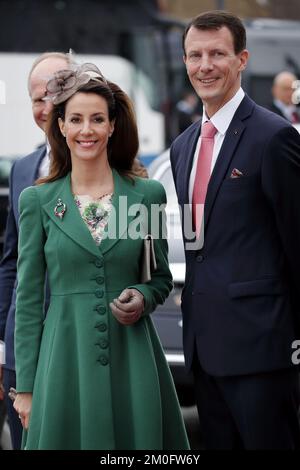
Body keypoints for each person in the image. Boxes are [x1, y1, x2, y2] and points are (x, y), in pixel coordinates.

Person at [13, 63, 189, 450]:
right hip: (63, 362)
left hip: (134, 361)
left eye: (96, 119)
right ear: (61, 126)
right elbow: (26, 300)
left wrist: (143, 297)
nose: (86, 129)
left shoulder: (147, 196)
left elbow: (158, 277)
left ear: (112, 125)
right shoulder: (37, 201)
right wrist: (25, 387)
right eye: (75, 119)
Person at [170, 10, 300, 450]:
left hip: (264, 350)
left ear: (242, 59)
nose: (204, 65)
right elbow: (199, 245)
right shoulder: (182, 146)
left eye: (217, 54)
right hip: (204, 351)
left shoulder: (275, 137)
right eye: (195, 55)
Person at [0, 51, 75, 450]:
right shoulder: (22, 169)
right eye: (36, 99)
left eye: (55, 94)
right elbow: (11, 261)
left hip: (75, 344)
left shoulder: (109, 171)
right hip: (21, 350)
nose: (46, 108)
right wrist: (3, 339)